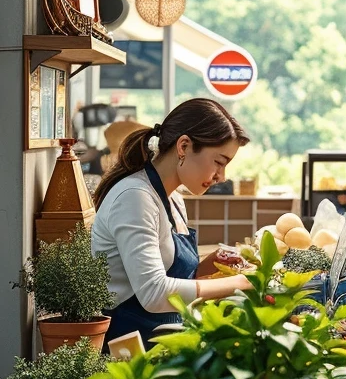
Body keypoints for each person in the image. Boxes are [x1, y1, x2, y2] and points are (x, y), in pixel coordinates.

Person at [91, 98, 253, 347]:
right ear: (184, 146)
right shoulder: (135, 197)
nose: (221, 177)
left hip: (165, 339)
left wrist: (206, 267)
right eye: (219, 162)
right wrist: (238, 283)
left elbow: (170, 274)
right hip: (130, 349)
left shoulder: (174, 198)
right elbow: (154, 292)